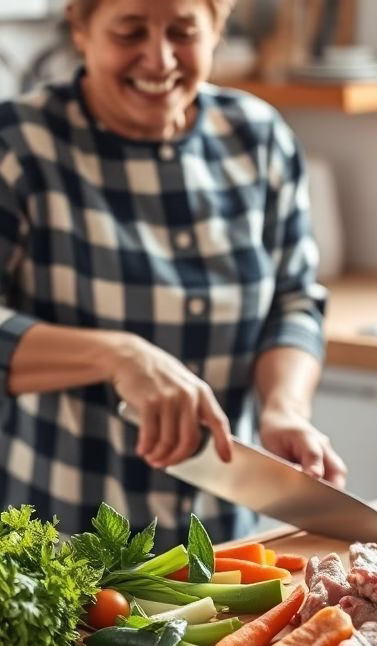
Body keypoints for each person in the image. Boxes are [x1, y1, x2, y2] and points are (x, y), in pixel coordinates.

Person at [0, 0, 347, 546]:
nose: (159, 59)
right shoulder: (19, 145)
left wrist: (284, 408)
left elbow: (293, 301)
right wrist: (118, 355)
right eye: (130, 31)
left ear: (216, 32)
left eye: (183, 32)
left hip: (228, 538)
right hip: (62, 542)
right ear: (81, 29)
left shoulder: (259, 138)